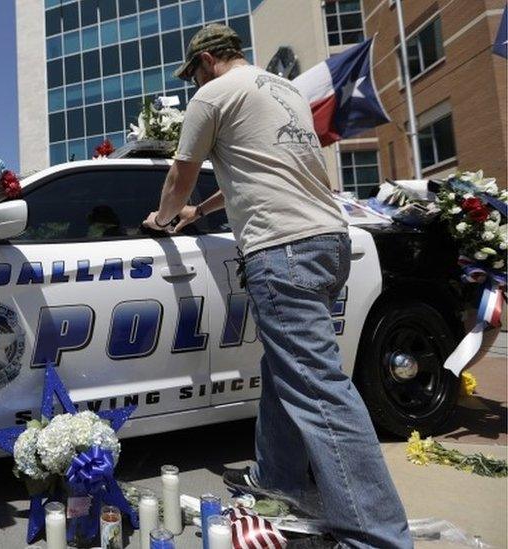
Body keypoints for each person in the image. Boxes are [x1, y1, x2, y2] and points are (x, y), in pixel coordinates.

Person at [141, 24, 412, 549]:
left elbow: (180, 174)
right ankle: (280, 479)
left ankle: (377, 536)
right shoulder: (282, 91)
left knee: (318, 390)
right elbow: (258, 171)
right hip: (330, 243)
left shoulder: (212, 95)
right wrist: (202, 210)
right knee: (286, 370)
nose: (193, 79)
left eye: (193, 70)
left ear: (210, 59)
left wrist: (166, 217)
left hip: (282, 248)